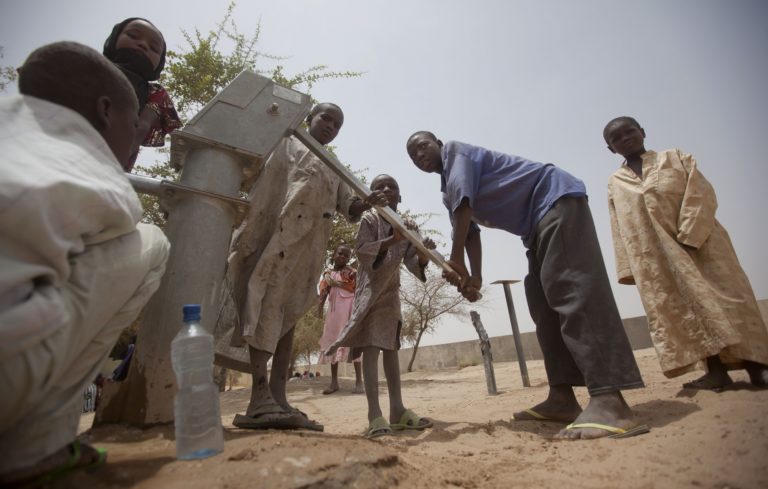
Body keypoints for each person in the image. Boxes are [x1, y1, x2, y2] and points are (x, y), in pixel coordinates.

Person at [0, 42, 170, 487]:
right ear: (104, 111)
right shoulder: (85, 160)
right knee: (149, 243)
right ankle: (37, 444)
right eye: (133, 125)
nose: (134, 138)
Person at [406, 131, 648, 440]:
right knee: (542, 303)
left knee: (572, 291)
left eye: (423, 146)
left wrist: (456, 262)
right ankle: (562, 398)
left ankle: (610, 400)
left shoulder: (456, 153)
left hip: (555, 199)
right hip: (535, 227)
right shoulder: (447, 192)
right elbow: (469, 231)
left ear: (439, 143)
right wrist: (474, 275)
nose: (419, 155)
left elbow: (464, 208)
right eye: (413, 156)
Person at [219, 103, 388, 431]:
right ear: (309, 118)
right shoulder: (284, 141)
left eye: (337, 124)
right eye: (326, 118)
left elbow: (348, 207)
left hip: (309, 251)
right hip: (276, 243)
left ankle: (279, 398)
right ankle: (259, 398)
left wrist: (367, 202)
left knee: (289, 318)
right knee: (265, 311)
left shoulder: (332, 164)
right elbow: (251, 176)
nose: (331, 126)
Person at [603, 116, 768, 390]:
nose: (624, 139)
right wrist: (629, 268)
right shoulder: (615, 182)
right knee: (688, 311)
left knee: (731, 301)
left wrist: (690, 235)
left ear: (642, 132)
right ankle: (715, 372)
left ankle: (758, 366)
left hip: (704, 246)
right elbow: (618, 223)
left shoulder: (676, 158)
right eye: (616, 139)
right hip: (658, 259)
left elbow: (701, 194)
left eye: (629, 132)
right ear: (611, 149)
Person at [326, 174, 436, 438]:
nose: (387, 189)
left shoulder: (408, 225)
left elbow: (413, 261)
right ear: (371, 196)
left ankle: (397, 410)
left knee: (391, 348)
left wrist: (423, 252)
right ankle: (374, 414)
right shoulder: (369, 219)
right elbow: (363, 252)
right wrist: (392, 240)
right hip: (370, 291)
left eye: (393, 186)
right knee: (373, 347)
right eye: (379, 187)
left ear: (401, 195)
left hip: (391, 292)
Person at [103, 17, 182, 171]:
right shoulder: (88, 66)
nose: (143, 44)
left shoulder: (155, 93)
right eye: (133, 36)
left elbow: (141, 128)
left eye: (153, 48)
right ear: (114, 39)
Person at [317, 244, 364, 395]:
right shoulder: (328, 274)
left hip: (350, 311)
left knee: (354, 343)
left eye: (346, 255)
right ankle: (334, 382)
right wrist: (319, 307)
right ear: (334, 254)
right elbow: (324, 291)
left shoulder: (352, 273)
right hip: (334, 314)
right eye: (340, 253)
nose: (342, 257)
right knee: (333, 343)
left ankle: (359, 382)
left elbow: (359, 289)